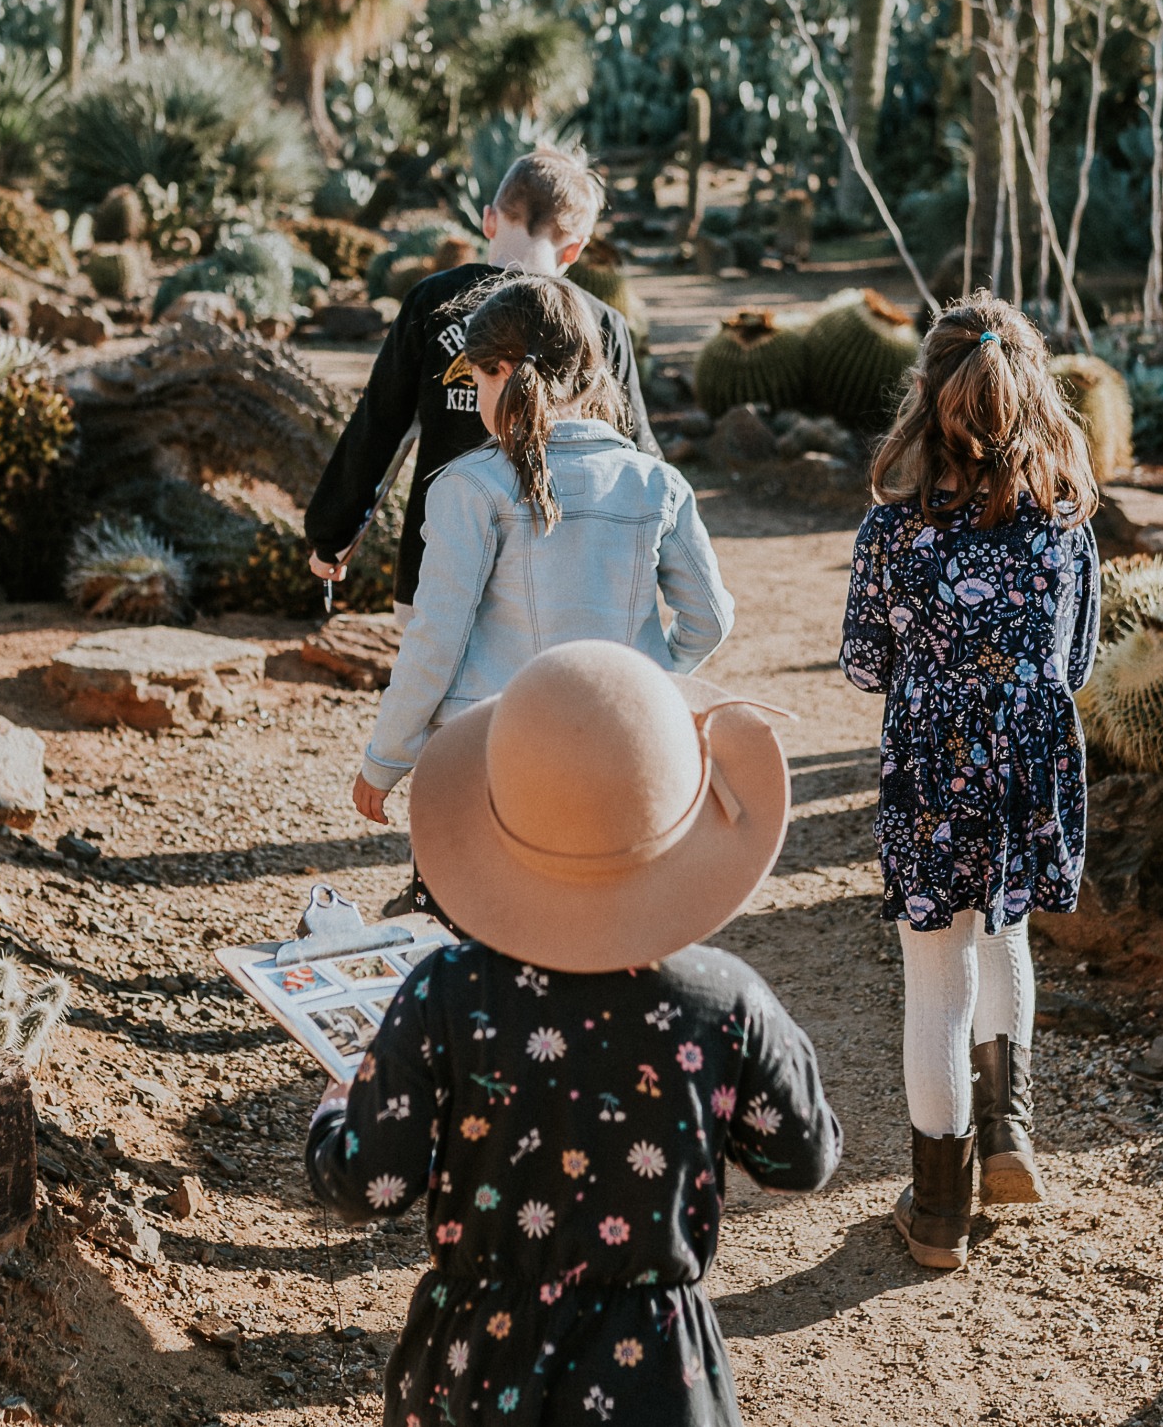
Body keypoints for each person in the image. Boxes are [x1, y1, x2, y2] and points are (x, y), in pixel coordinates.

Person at [307, 639, 840, 1426]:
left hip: (474, 1369)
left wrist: (337, 1102)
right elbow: (801, 1160)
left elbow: (365, 1185)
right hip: (656, 1377)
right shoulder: (725, 999)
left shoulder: (449, 992)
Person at [838, 292, 1101, 1270]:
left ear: (925, 399)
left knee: (936, 980)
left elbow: (865, 665)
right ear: (1033, 395)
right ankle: (1009, 1135)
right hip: (1030, 768)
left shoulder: (893, 536)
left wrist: (933, 670)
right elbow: (1073, 667)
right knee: (1008, 934)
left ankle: (940, 1211)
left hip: (933, 770)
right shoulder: (1064, 529)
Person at [352, 272, 730, 827]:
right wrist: (647, 682)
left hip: (491, 754)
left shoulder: (468, 486)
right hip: (626, 748)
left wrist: (385, 759)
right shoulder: (657, 484)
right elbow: (711, 618)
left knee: (482, 907)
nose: (478, 397)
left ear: (501, 370)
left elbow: (436, 638)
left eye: (478, 381)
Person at [305, 149, 657, 616]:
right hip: (560, 582)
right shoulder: (603, 324)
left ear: (489, 220)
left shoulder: (431, 300)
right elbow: (633, 452)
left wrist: (332, 536)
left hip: (437, 570)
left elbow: (379, 426)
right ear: (574, 248)